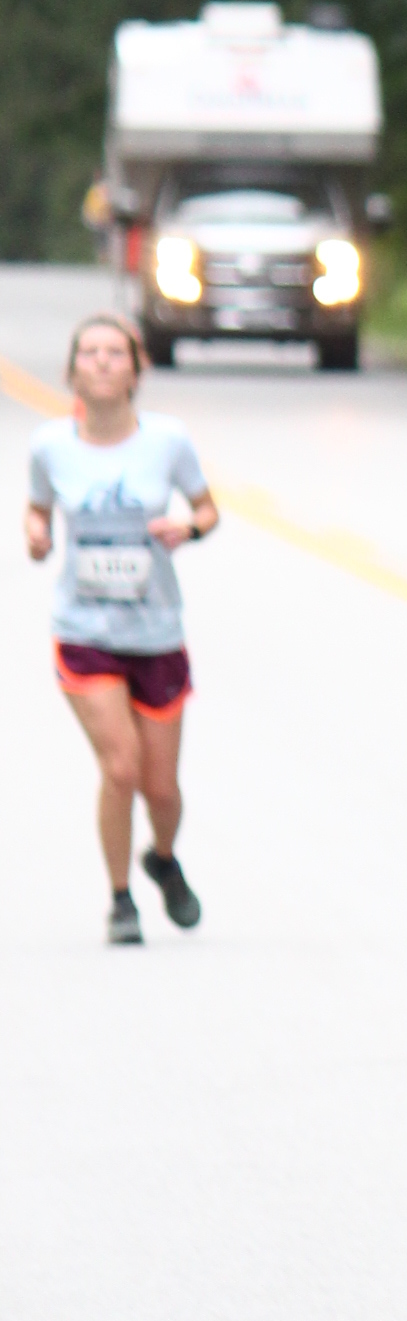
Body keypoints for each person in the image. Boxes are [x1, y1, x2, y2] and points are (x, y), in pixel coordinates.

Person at [24, 312, 218, 945]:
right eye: (90, 352)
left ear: (137, 370)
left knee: (161, 788)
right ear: (71, 371)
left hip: (156, 632)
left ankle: (162, 859)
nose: (103, 362)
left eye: (115, 353)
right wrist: (36, 534)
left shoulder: (168, 441)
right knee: (122, 767)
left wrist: (188, 529)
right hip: (85, 632)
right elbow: (37, 508)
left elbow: (207, 509)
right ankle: (120, 900)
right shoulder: (51, 446)